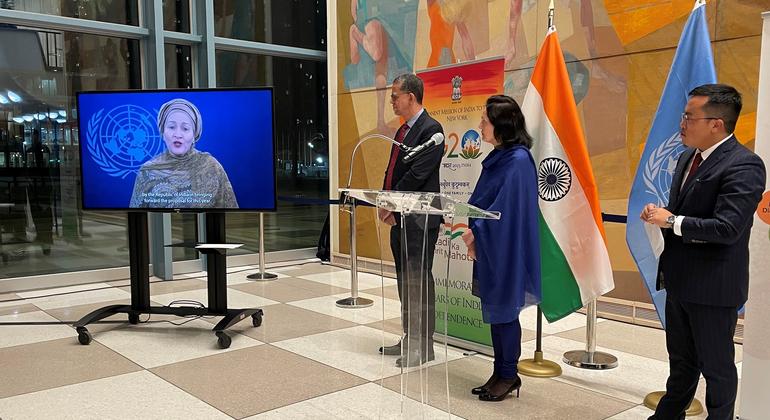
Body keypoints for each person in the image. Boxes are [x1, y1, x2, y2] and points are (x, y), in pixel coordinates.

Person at [641, 84, 766, 420]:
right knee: (681, 362)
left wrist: (674, 220)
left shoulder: (745, 165)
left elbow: (727, 228)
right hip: (680, 280)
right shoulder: (687, 157)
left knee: (717, 368)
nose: (682, 124)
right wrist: (663, 214)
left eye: (689, 117)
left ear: (716, 124)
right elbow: (689, 210)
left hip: (713, 287)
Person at [461, 95, 541, 402]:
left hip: (507, 249)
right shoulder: (499, 157)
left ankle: (509, 375)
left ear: (502, 126)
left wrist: (476, 229)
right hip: (492, 247)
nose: (480, 125)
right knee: (496, 312)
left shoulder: (518, 161)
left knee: (506, 312)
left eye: (485, 120)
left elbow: (506, 212)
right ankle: (499, 371)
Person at [377, 73, 444, 368]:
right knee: (405, 281)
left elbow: (417, 176)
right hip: (400, 218)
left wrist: (392, 202)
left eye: (395, 95)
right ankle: (409, 337)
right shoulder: (402, 131)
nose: (392, 100)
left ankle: (423, 345)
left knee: (419, 281)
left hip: (419, 220)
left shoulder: (432, 130)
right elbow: (392, 169)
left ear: (411, 97)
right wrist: (383, 200)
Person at [130, 98, 238, 209]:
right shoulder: (147, 171)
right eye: (171, 127)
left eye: (185, 128)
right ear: (162, 131)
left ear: (194, 135)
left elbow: (231, 211)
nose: (178, 134)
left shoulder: (211, 166)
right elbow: (135, 216)